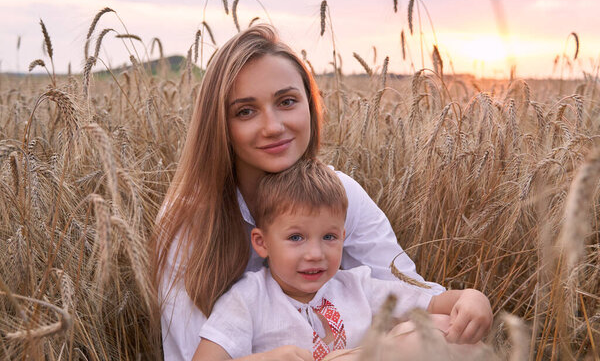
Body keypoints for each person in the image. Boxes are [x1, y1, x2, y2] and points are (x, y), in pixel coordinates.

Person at [152, 24, 445, 361]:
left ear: (309, 104)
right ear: (220, 124)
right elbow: (190, 355)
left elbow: (415, 297)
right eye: (245, 111)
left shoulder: (341, 193)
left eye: (287, 101)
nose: (274, 126)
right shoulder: (189, 222)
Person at [193, 159, 493, 360]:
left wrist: (470, 297)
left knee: (441, 328)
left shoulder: (356, 287)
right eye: (296, 238)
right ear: (262, 243)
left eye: (329, 237)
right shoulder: (247, 299)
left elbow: (433, 303)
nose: (315, 253)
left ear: (343, 236)